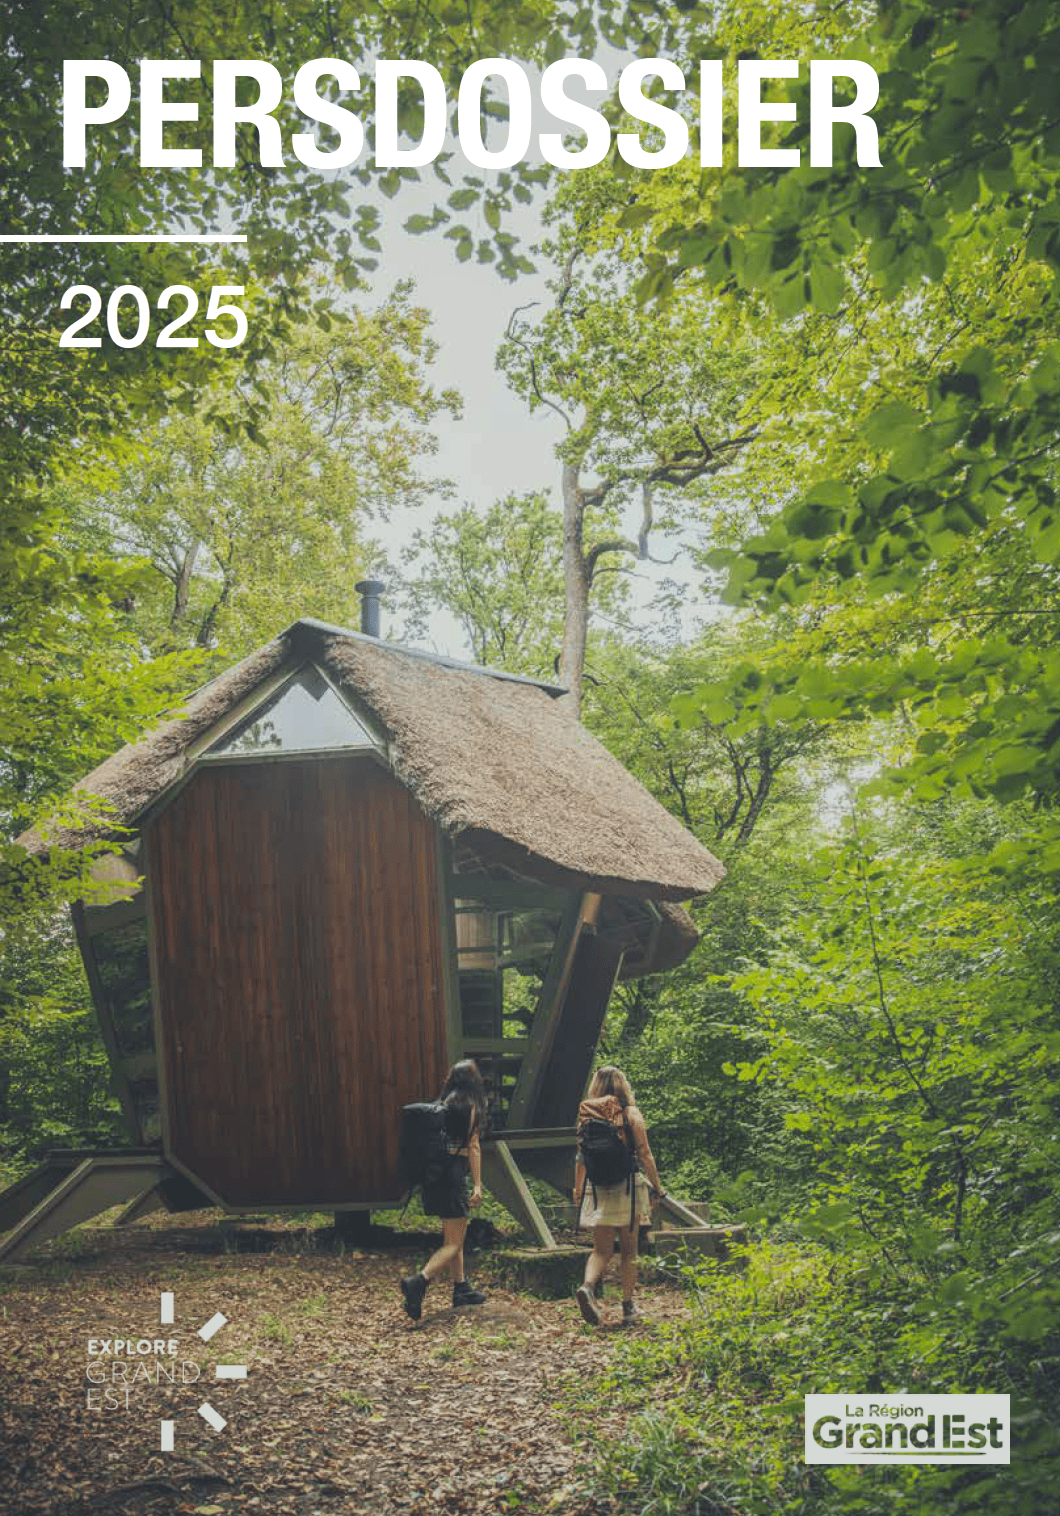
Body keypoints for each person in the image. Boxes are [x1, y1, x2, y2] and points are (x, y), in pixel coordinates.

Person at [573, 1064, 665, 1327]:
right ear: (623, 1085)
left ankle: (588, 1288)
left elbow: (580, 1157)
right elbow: (644, 1153)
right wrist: (658, 1187)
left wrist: (578, 1190)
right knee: (628, 1251)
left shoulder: (587, 1114)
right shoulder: (631, 1114)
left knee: (600, 1250)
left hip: (597, 1187)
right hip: (628, 1187)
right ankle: (628, 1307)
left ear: (596, 1087)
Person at [400, 1059, 488, 1320]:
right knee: (453, 1242)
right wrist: (478, 1184)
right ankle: (419, 1281)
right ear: (474, 1081)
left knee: (453, 1236)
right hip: (452, 1175)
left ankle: (461, 1288)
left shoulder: (443, 1104)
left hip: (435, 1175)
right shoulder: (470, 1105)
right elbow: (473, 1145)